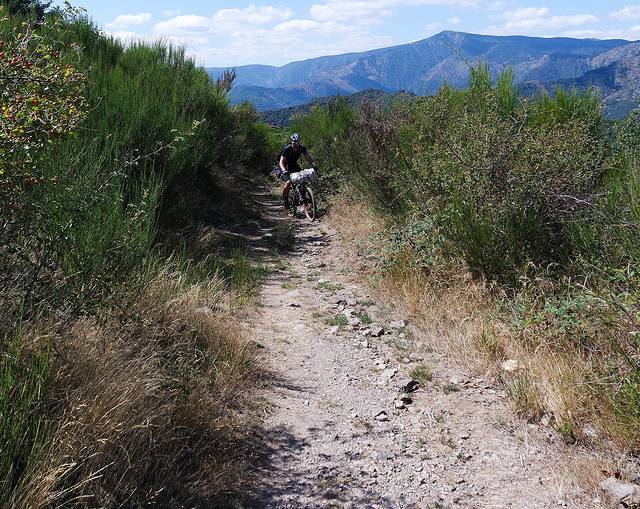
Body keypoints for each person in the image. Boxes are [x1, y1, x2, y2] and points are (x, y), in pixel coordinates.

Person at [279, 133, 315, 209]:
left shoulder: (302, 148)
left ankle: (302, 196)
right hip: (285, 166)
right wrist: (284, 170)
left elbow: (308, 158)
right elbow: (281, 161)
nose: (296, 143)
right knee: (288, 182)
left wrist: (313, 165)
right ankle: (285, 200)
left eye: (297, 142)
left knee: (303, 178)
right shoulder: (287, 148)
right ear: (291, 141)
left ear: (299, 141)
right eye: (294, 142)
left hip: (294, 165)